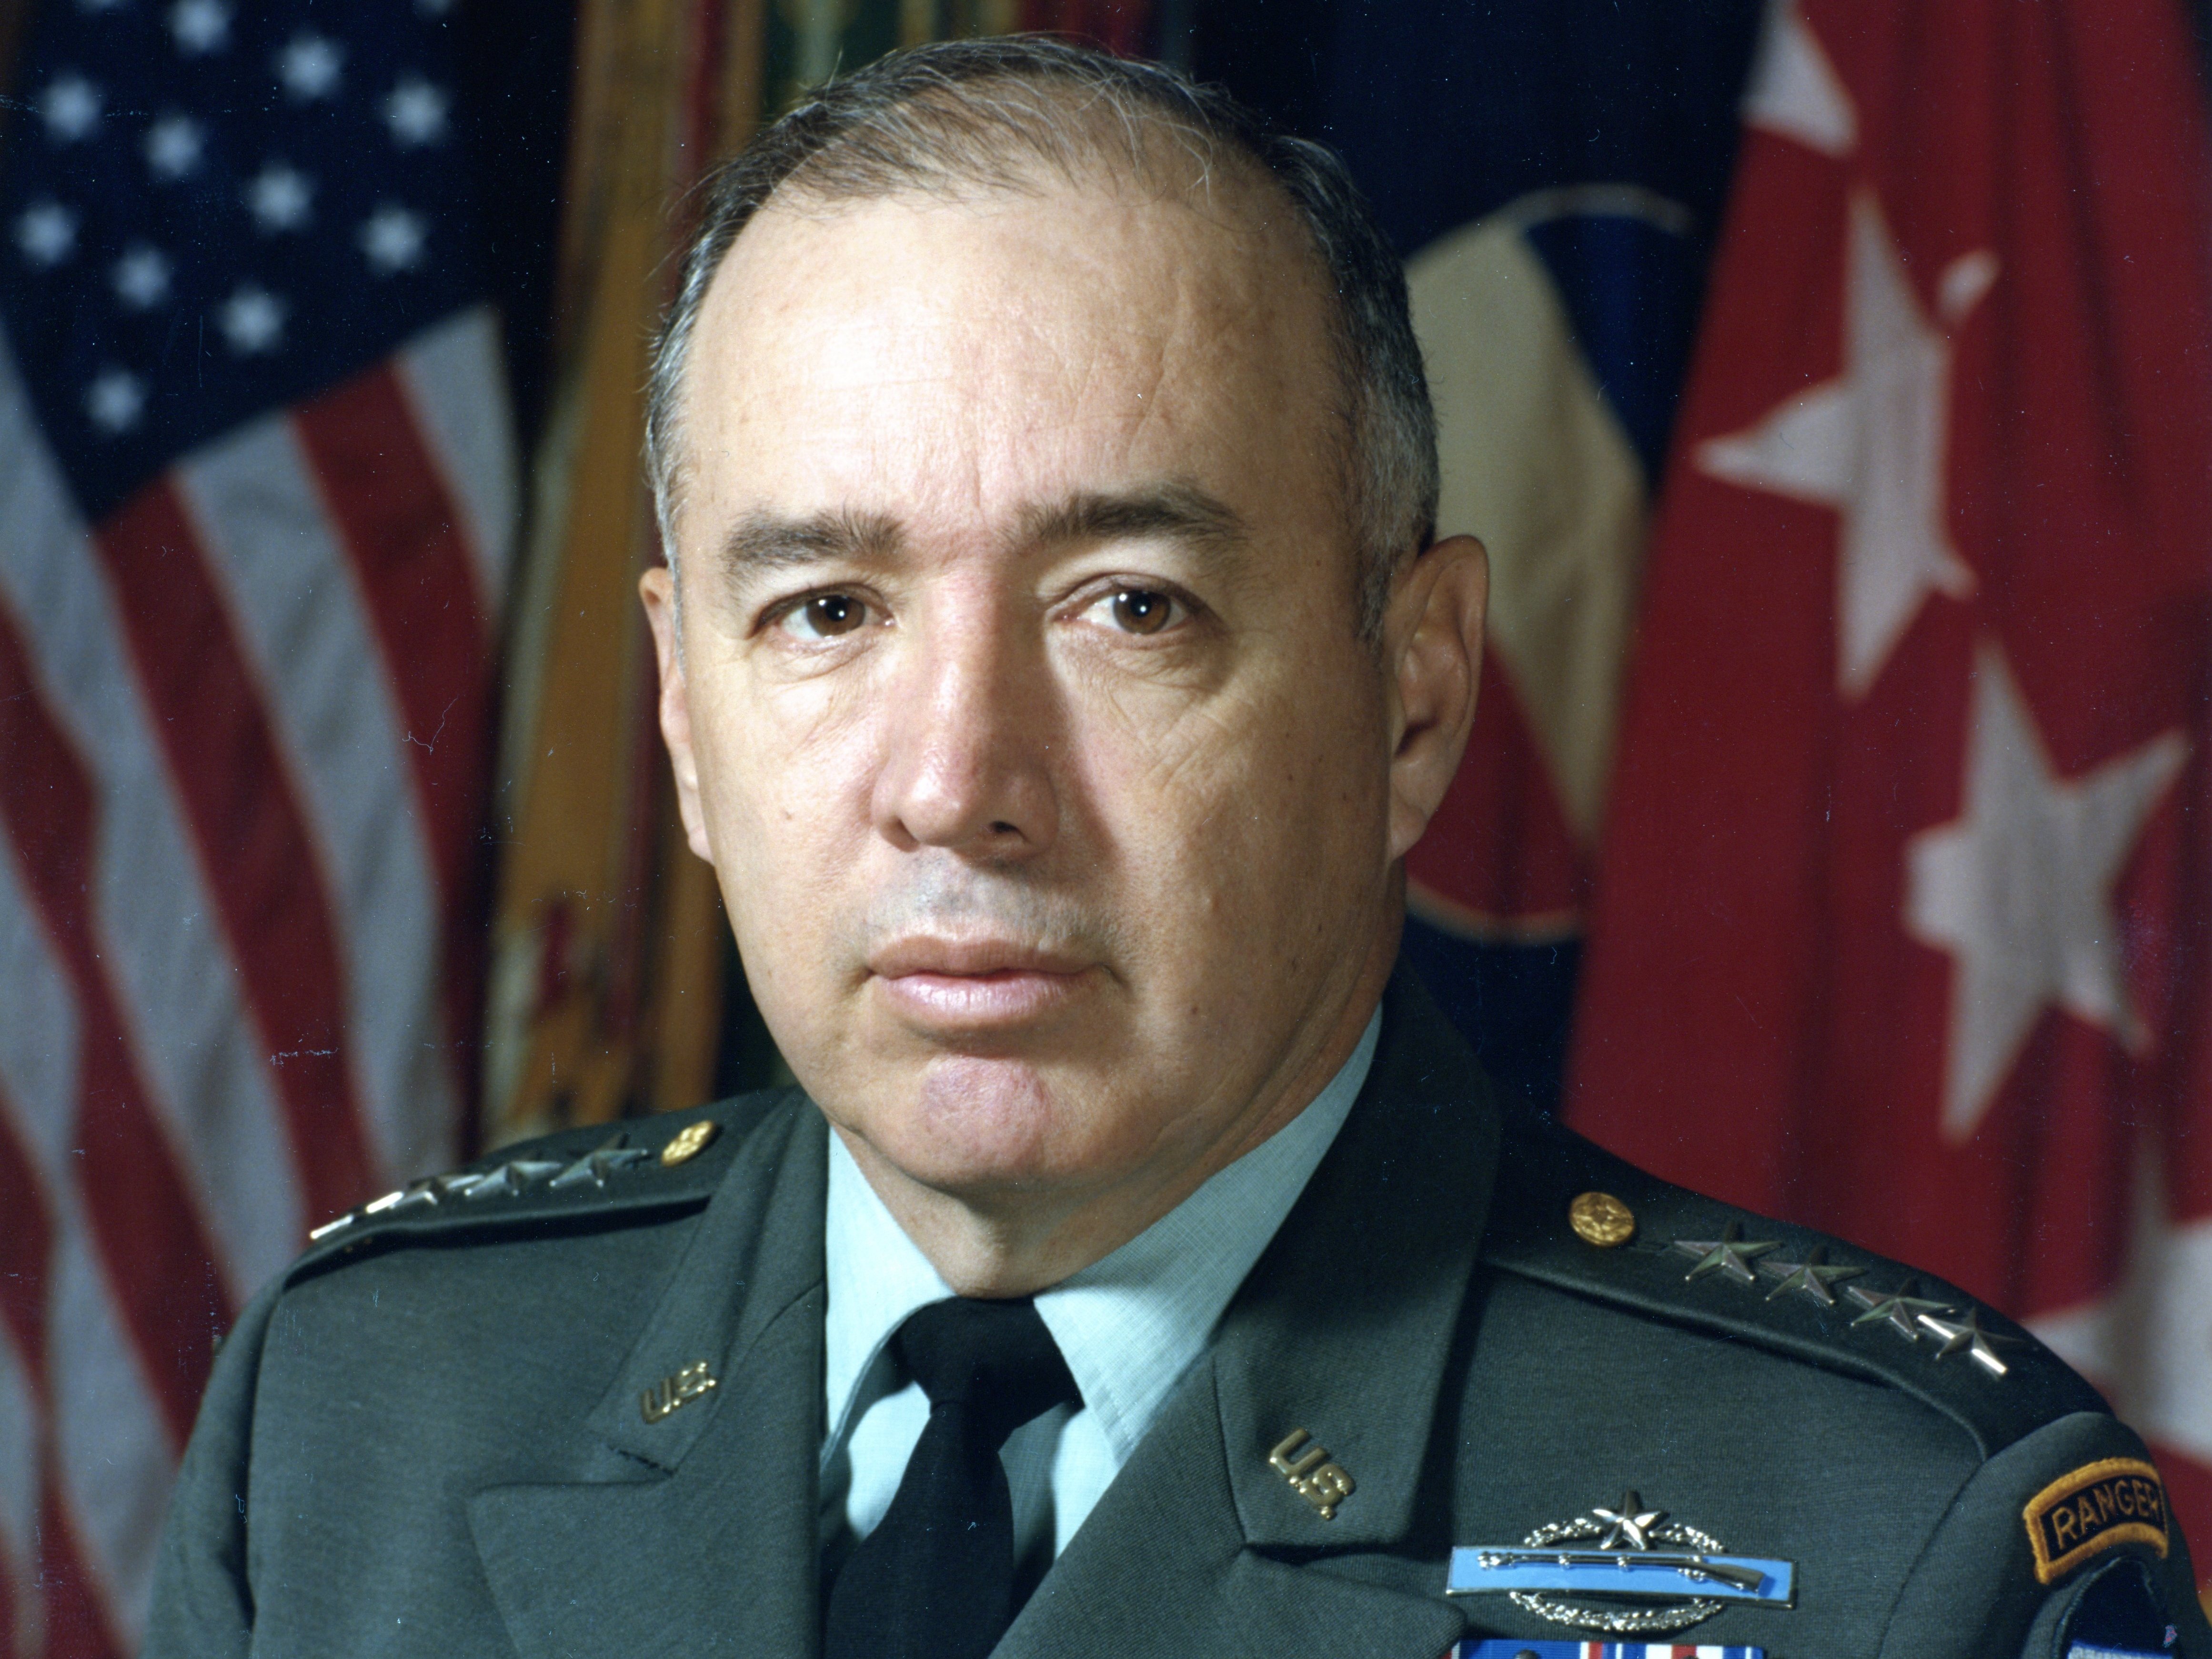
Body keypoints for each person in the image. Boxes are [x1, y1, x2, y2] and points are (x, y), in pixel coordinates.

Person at [146, 37, 2208, 1659]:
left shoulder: (1892, 1537)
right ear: (685, 722)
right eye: (829, 611)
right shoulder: (360, 1418)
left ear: (1412, 698)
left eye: (1130, 606)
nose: (956, 781)